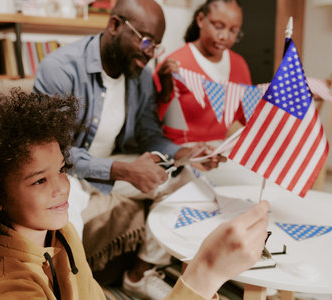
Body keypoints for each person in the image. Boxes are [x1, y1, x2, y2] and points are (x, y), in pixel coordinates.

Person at [0, 89, 270, 299]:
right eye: (39, 181)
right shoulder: (1, 288)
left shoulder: (60, 232)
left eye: (61, 170)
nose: (62, 187)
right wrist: (204, 271)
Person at [33, 0, 225, 298]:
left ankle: (140, 273)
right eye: (146, 41)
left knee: (188, 184)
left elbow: (150, 135)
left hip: (110, 162)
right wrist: (123, 170)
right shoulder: (61, 68)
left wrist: (183, 153)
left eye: (156, 46)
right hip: (63, 169)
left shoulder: (141, 78)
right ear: (114, 26)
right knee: (67, 220)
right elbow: (55, 152)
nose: (150, 54)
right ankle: (72, 293)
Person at [154, 0, 251, 145]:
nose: (224, 36)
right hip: (183, 150)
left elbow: (248, 119)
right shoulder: (174, 64)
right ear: (200, 20)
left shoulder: (239, 65)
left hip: (221, 149)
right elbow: (151, 124)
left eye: (233, 31)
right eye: (218, 27)